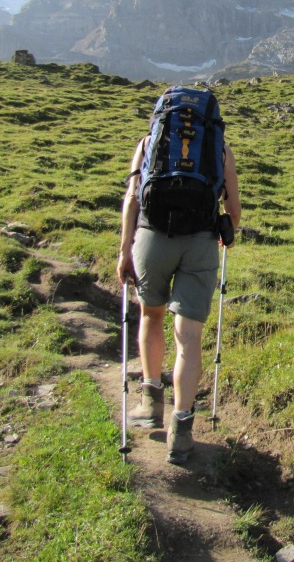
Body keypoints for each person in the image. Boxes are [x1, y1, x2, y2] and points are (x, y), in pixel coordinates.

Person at [116, 133, 241, 464]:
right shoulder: (220, 148)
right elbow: (233, 210)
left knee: (151, 315)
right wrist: (226, 236)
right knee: (189, 336)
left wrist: (125, 249)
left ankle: (150, 403)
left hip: (152, 237)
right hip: (200, 242)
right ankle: (181, 432)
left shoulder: (148, 142)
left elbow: (132, 197)